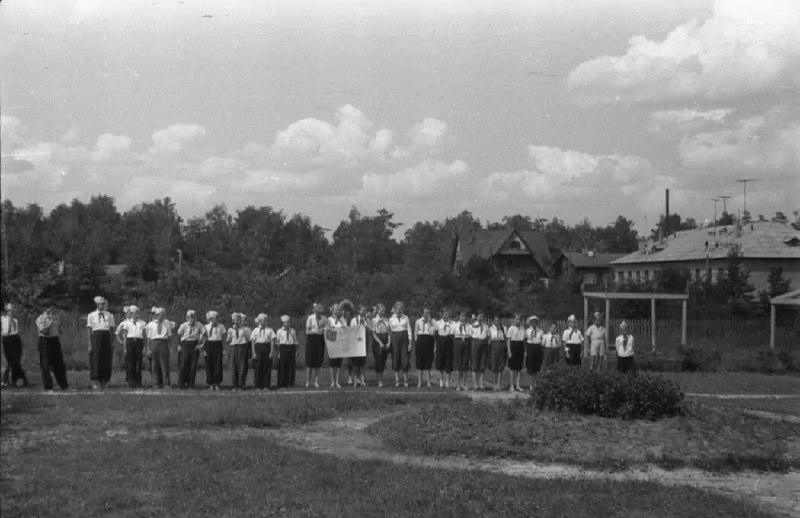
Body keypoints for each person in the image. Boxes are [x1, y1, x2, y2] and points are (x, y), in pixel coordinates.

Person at [35, 307, 69, 391]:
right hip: (45, 341)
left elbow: (60, 330)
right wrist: (50, 322)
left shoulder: (56, 317)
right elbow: (44, 331)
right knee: (46, 364)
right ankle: (48, 386)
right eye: (50, 308)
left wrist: (58, 327)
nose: (52, 310)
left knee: (59, 364)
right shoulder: (40, 318)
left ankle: (63, 385)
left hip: (55, 340)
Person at [86, 296, 115, 389]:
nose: (102, 305)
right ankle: (94, 379)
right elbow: (89, 330)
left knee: (106, 358)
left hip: (106, 336)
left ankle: (105, 379)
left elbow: (112, 329)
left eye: (103, 304)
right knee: (95, 358)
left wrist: (112, 341)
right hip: (96, 336)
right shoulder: (91, 315)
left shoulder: (109, 315)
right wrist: (90, 343)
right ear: (97, 304)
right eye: (100, 304)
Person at [116, 305, 147, 389]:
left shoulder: (143, 323)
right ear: (131, 314)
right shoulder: (127, 323)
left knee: (138, 363)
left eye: (137, 313)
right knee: (130, 363)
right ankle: (130, 382)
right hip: (130, 342)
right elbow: (125, 336)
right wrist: (124, 347)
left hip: (139, 342)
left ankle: (138, 382)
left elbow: (144, 336)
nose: (136, 315)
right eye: (134, 313)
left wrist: (144, 347)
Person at [177, 310, 206, 389]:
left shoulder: (199, 324)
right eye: (191, 317)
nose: (192, 319)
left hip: (194, 344)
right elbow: (179, 335)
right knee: (183, 365)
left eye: (194, 317)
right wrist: (179, 345)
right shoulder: (183, 325)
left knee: (193, 365)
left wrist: (201, 344)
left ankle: (191, 384)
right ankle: (181, 384)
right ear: (187, 318)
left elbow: (204, 333)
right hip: (185, 344)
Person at [1, 303, 29, 387]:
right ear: (6, 311)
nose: (11, 312)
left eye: (12, 311)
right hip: (6, 339)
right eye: (9, 311)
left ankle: (14, 380)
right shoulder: (2, 319)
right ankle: (20, 378)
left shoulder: (15, 320)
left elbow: (15, 331)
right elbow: (5, 332)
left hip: (15, 339)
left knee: (15, 361)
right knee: (11, 361)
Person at [146, 307, 173, 389]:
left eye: (162, 315)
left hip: (163, 342)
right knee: (155, 364)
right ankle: (156, 383)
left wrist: (170, 346)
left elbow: (169, 336)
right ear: (156, 315)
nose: (160, 316)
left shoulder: (167, 323)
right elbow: (149, 338)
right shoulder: (150, 324)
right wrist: (149, 349)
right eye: (159, 315)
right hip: (154, 343)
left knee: (164, 364)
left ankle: (166, 383)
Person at [389, 301, 412, 387]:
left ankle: (405, 381)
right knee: (396, 357)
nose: (399, 310)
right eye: (397, 308)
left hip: (404, 338)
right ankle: (397, 381)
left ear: (403, 309)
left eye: (401, 308)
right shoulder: (391, 319)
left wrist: (409, 343)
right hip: (395, 338)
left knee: (404, 358)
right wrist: (390, 342)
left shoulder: (406, 317)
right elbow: (390, 331)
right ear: (394, 309)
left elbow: (409, 330)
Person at [251, 313, 275, 390]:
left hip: (266, 348)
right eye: (262, 321)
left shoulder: (270, 330)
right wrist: (253, 353)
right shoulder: (255, 330)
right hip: (258, 349)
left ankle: (266, 385)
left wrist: (271, 352)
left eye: (265, 321)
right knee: (258, 368)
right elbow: (252, 342)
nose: (264, 322)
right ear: (259, 321)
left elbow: (272, 341)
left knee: (266, 368)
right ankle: (258, 385)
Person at [227, 312, 251, 391]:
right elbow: (228, 340)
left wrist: (246, 336)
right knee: (233, 367)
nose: (237, 321)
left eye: (238, 320)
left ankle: (241, 385)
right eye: (235, 320)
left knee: (242, 366)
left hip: (242, 347)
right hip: (234, 347)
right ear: (233, 321)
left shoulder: (244, 330)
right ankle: (234, 385)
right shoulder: (230, 330)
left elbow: (248, 340)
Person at [304, 303, 326, 388]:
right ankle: (308, 381)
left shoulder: (324, 319)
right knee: (310, 362)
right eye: (317, 312)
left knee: (318, 362)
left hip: (320, 341)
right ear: (314, 311)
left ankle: (316, 381)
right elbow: (307, 331)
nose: (318, 313)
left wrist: (324, 329)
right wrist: (317, 331)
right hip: (311, 341)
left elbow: (327, 328)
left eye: (320, 312)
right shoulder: (310, 318)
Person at [414, 307, 435, 388]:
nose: (428, 314)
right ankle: (419, 381)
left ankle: (428, 382)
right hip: (420, 340)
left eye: (429, 312)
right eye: (426, 312)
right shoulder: (418, 321)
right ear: (422, 313)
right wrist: (417, 341)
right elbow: (415, 333)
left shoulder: (432, 321)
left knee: (428, 361)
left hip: (429, 340)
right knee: (419, 361)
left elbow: (432, 333)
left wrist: (429, 322)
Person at [204, 311, 226, 391]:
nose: (216, 320)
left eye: (217, 318)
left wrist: (223, 349)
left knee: (218, 364)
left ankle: (217, 383)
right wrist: (204, 349)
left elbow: (223, 338)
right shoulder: (206, 327)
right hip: (209, 345)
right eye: (215, 318)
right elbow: (204, 339)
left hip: (218, 345)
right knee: (209, 364)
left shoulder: (221, 326)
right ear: (211, 319)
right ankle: (210, 383)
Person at [276, 315, 299, 388]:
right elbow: (277, 343)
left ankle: (290, 383)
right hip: (283, 348)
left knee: (291, 366)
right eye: (287, 322)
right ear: (283, 323)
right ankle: (282, 383)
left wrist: (296, 351)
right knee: (282, 366)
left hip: (291, 348)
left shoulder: (293, 331)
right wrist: (278, 352)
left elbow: (295, 341)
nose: (289, 324)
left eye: (289, 322)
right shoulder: (279, 331)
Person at [371, 303, 391, 387]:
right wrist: (380, 343)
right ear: (378, 311)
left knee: (383, 361)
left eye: (384, 310)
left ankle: (382, 379)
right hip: (377, 341)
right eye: (381, 310)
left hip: (385, 339)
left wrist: (389, 342)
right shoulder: (374, 320)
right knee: (378, 361)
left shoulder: (387, 320)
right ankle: (379, 381)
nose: (383, 311)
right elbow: (373, 333)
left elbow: (389, 332)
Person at [350, 305, 370, 387]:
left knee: (362, 362)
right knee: (355, 362)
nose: (364, 312)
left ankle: (362, 380)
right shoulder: (354, 320)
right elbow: (351, 330)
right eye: (362, 310)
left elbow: (369, 330)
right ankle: (355, 380)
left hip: (364, 342)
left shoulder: (367, 320)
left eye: (365, 310)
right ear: (359, 311)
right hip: (355, 343)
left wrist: (366, 326)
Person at [433, 309, 454, 388]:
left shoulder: (452, 323)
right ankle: (441, 380)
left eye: (447, 314)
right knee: (441, 361)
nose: (446, 316)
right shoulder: (438, 323)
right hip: (440, 342)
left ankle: (447, 381)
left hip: (449, 342)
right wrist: (435, 345)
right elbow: (435, 335)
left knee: (448, 361)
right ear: (442, 314)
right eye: (445, 314)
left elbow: (453, 334)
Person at [327, 303, 345, 388]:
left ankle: (337, 381)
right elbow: (327, 329)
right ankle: (332, 382)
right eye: (336, 310)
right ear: (332, 311)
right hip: (332, 343)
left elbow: (345, 329)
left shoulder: (342, 319)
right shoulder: (329, 319)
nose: (337, 311)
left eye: (339, 310)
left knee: (338, 364)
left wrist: (341, 322)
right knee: (332, 364)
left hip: (340, 343)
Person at [452, 311, 471, 391]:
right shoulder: (455, 325)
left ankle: (464, 383)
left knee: (465, 364)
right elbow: (452, 334)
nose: (464, 318)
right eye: (462, 316)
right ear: (459, 317)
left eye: (465, 316)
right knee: (458, 364)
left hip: (466, 343)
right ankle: (458, 384)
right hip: (458, 343)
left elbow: (470, 335)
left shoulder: (468, 326)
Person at [469, 312, 489, 390]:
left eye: (482, 317)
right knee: (475, 363)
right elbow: (470, 335)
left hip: (483, 344)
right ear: (477, 317)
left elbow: (487, 335)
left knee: (482, 363)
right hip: (475, 343)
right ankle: (475, 384)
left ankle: (481, 383)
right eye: (479, 317)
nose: (481, 318)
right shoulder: (473, 326)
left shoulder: (486, 326)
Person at [506, 314, 525, 392]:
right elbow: (508, 340)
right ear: (514, 320)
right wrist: (509, 351)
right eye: (517, 319)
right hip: (513, 346)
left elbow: (524, 341)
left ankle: (517, 385)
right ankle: (511, 385)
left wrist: (524, 351)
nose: (518, 321)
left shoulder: (522, 328)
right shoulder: (511, 328)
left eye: (519, 319)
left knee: (519, 368)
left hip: (520, 346)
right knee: (512, 368)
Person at [524, 316, 544, 389]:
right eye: (532, 322)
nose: (534, 323)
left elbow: (542, 340)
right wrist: (526, 351)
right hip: (530, 348)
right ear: (530, 323)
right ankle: (530, 385)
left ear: (537, 323)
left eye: (535, 322)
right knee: (530, 366)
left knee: (537, 367)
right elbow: (525, 342)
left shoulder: (540, 331)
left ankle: (535, 384)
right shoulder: (527, 331)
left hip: (538, 348)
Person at [488, 316, 507, 391]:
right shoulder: (490, 329)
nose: (497, 322)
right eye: (495, 320)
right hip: (494, 345)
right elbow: (489, 339)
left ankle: (499, 384)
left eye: (498, 320)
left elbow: (505, 338)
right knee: (494, 364)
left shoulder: (503, 328)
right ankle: (494, 384)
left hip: (501, 345)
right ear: (493, 321)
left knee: (501, 364)